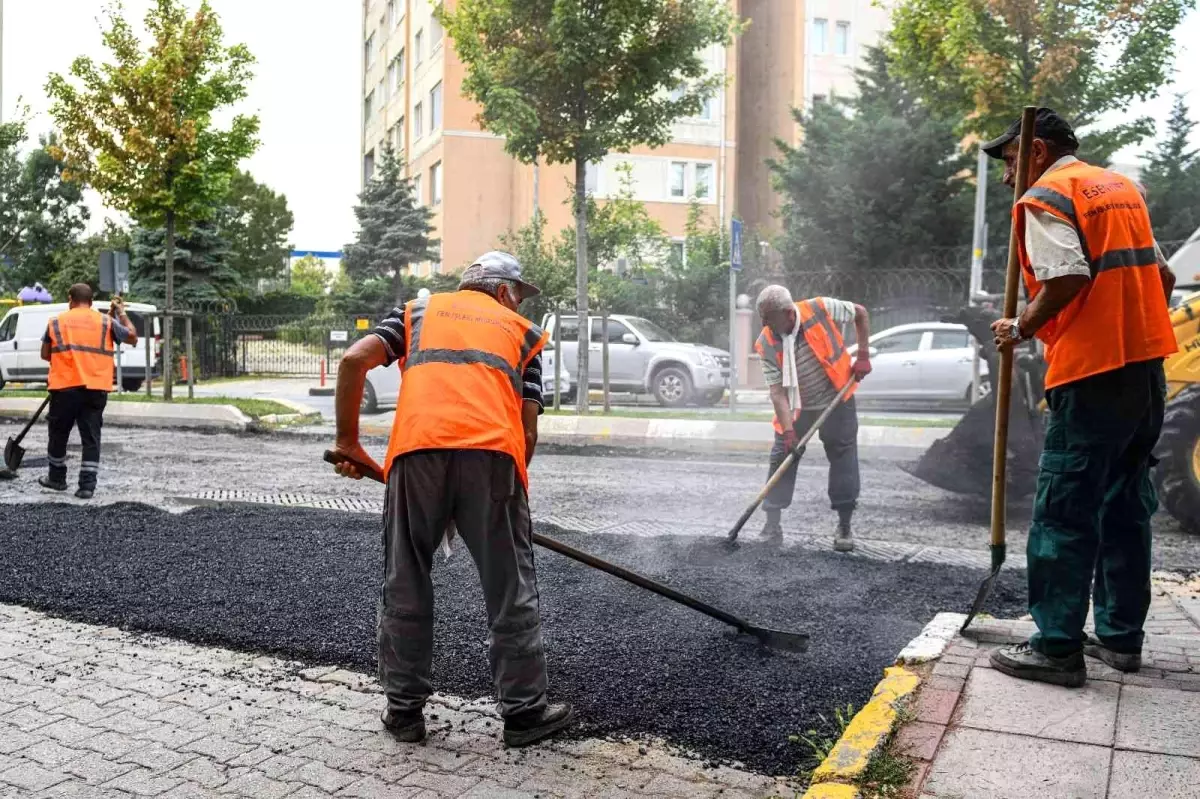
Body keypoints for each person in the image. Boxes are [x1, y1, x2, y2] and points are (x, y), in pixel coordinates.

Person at [330, 251, 574, 747]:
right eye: (519, 295)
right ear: (506, 292)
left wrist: (349, 442)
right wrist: (504, 502)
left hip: (416, 453)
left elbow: (355, 360)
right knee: (509, 585)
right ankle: (525, 714)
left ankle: (404, 714)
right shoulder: (522, 332)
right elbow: (528, 430)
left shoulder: (418, 313)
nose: (519, 303)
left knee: (406, 576)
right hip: (493, 457)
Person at [984, 108, 1177, 687]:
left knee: (1066, 508)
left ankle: (1057, 646)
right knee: (1125, 504)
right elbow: (1162, 280)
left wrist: (1020, 325)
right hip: (1145, 374)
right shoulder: (1120, 189)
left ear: (1038, 152)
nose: (1007, 175)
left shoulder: (1046, 197)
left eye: (1012, 159)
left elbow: (1068, 277)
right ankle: (1120, 638)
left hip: (1091, 376)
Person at [754, 285, 873, 551]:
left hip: (836, 399)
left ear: (788, 313)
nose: (763, 324)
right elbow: (777, 392)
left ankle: (844, 525)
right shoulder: (765, 342)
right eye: (762, 317)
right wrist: (788, 432)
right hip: (797, 407)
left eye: (768, 317)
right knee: (782, 456)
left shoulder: (820, 308)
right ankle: (772, 525)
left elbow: (861, 313)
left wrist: (863, 354)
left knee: (843, 456)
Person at [39, 285, 137, 499]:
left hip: (64, 388)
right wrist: (120, 312)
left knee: (58, 433)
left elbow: (45, 354)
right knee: (91, 437)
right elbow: (132, 336)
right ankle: (87, 486)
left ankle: (56, 479)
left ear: (70, 299)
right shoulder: (105, 322)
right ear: (91, 302)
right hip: (95, 389)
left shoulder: (56, 322)